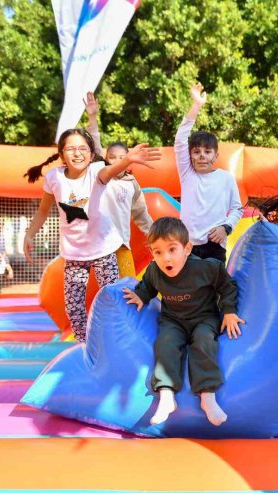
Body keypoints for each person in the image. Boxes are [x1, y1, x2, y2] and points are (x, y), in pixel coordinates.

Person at [23, 128, 160, 342]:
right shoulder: (54, 177)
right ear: (61, 154)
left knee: (114, 299)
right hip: (75, 255)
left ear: (91, 152)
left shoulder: (97, 170)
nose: (77, 153)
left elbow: (109, 172)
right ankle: (85, 349)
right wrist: (29, 234)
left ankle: (119, 342)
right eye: (71, 149)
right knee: (75, 311)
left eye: (82, 149)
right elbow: (42, 211)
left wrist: (127, 160)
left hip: (105, 250)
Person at [122, 217, 244, 427]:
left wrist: (229, 312)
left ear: (187, 249)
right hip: (173, 320)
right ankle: (167, 396)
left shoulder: (206, 268)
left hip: (203, 318)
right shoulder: (154, 270)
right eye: (157, 252)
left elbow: (227, 286)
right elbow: (148, 286)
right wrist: (140, 296)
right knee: (165, 344)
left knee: (204, 341)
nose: (165, 258)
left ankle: (207, 396)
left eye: (171, 250)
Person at [85, 92, 153, 277]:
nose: (116, 161)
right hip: (100, 247)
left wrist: (155, 238)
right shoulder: (101, 178)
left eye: (122, 158)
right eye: (112, 157)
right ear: (106, 160)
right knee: (106, 292)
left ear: (129, 161)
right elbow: (95, 147)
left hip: (122, 245)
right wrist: (92, 117)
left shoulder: (131, 184)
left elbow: (142, 215)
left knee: (125, 286)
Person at [174, 82, 243, 263]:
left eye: (207, 152)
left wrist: (226, 228)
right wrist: (196, 105)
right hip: (187, 245)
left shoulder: (226, 178)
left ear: (216, 155)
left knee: (213, 289)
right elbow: (180, 141)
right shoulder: (187, 174)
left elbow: (237, 208)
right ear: (190, 156)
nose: (202, 156)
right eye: (196, 152)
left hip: (215, 244)